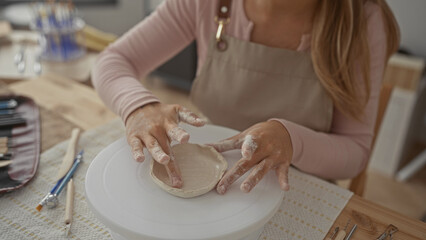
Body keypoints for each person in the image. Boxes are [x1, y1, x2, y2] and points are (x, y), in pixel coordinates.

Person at [92, 0, 399, 195]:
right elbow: (112, 62)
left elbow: (354, 152)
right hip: (218, 176)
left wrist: (292, 139)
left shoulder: (363, 20)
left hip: (299, 185)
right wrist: (139, 107)